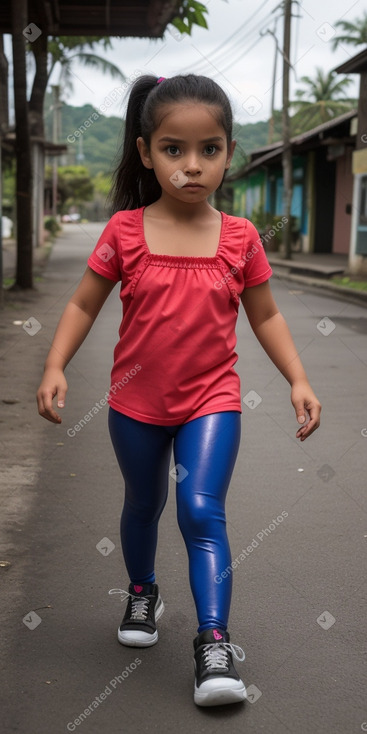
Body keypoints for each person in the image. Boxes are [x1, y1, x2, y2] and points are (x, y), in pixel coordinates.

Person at [37, 74, 321, 707]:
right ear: (145, 152)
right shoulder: (124, 233)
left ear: (227, 151)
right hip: (135, 405)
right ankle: (143, 591)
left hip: (210, 403)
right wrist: (56, 365)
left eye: (210, 149)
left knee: (199, 508)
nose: (193, 166)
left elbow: (266, 316)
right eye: (173, 149)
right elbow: (85, 304)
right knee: (143, 504)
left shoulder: (243, 239)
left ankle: (213, 642)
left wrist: (298, 379)